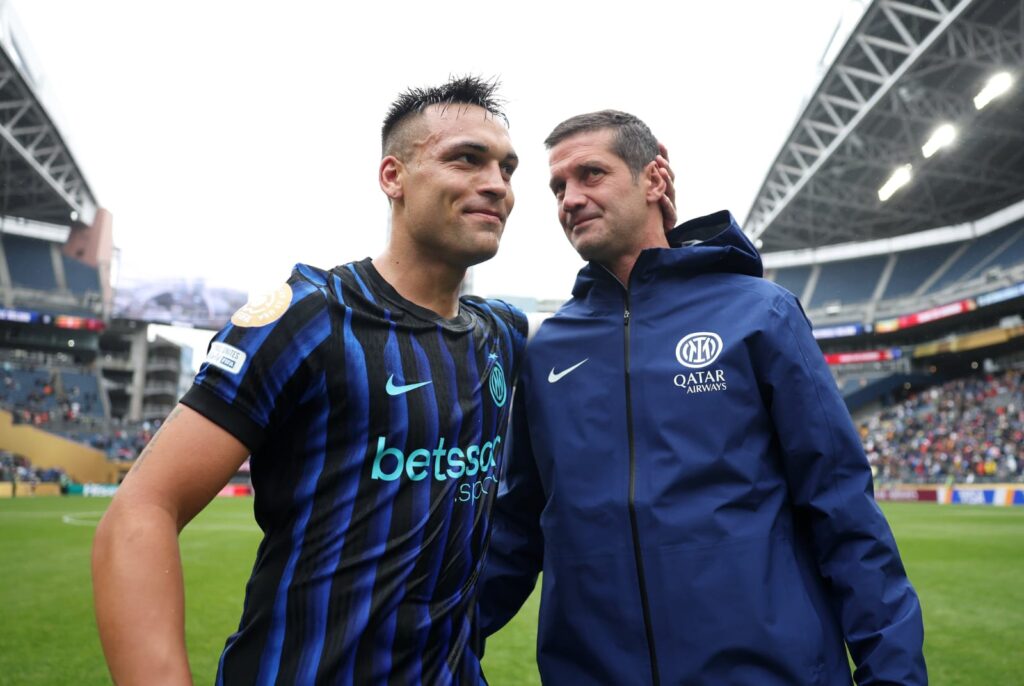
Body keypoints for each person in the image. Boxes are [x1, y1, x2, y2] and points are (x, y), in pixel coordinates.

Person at [92, 76, 530, 685]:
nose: (496, 185)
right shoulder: (309, 318)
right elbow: (142, 508)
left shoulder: (503, 335)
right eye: (466, 158)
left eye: (508, 169)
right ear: (393, 177)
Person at [477, 110, 927, 685]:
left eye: (591, 174)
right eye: (558, 186)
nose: (570, 198)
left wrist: (894, 674)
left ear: (655, 179)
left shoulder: (761, 314)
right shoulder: (546, 350)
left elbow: (841, 507)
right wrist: (425, 642)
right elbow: (515, 530)